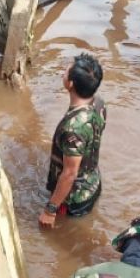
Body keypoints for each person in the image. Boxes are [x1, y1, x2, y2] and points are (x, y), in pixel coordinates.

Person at [39, 53, 107, 228]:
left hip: (74, 200)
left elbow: (70, 174)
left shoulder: (73, 128)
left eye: (66, 72)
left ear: (70, 84)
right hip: (93, 182)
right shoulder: (99, 104)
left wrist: (50, 210)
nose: (63, 73)